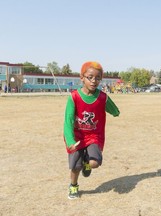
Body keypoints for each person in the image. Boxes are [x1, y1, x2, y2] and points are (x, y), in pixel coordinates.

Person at [63, 61, 120, 199]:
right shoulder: (74, 97)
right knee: (76, 167)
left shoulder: (102, 98)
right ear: (82, 77)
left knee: (94, 163)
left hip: (94, 136)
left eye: (98, 78)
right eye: (90, 77)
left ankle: (87, 163)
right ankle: (73, 185)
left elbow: (114, 109)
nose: (94, 81)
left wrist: (115, 112)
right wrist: (70, 139)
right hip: (77, 137)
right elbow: (68, 120)